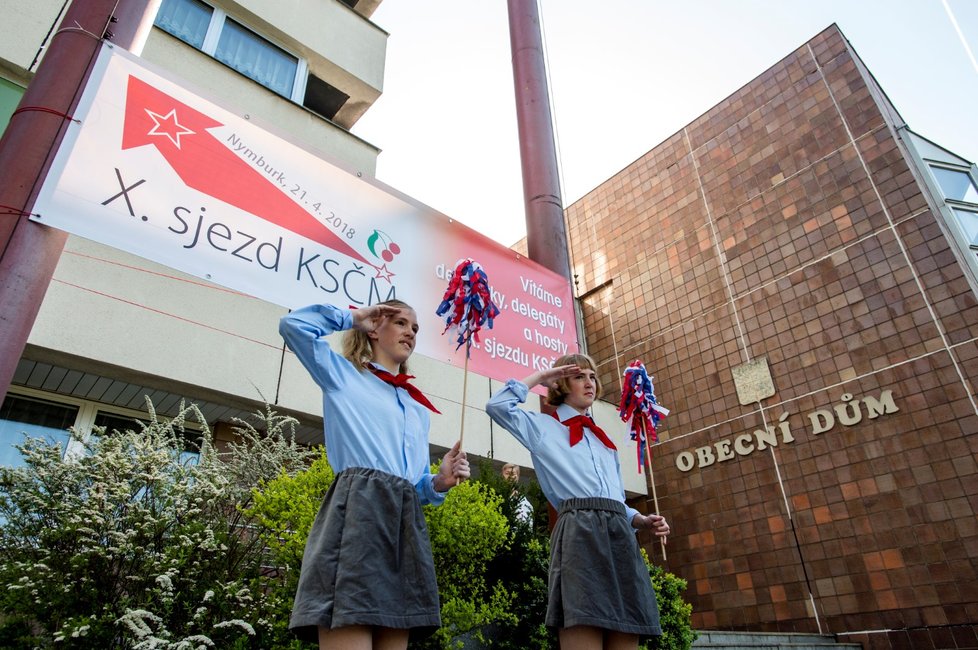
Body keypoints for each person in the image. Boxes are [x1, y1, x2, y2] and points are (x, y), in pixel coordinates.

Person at [280, 300, 470, 650]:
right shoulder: (342, 374)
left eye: (415, 328)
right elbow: (293, 327)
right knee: (348, 623)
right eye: (400, 323)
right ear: (374, 329)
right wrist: (350, 317)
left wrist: (439, 481)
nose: (411, 332)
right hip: (357, 517)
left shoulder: (417, 408)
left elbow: (415, 484)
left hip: (404, 526)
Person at [485, 353, 670, 650]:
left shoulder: (605, 443)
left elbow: (616, 500)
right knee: (582, 623)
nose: (589, 383)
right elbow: (497, 406)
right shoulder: (543, 428)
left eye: (592, 376)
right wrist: (542, 377)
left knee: (626, 631)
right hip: (579, 533)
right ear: (561, 384)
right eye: (579, 376)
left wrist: (640, 520)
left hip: (620, 538)